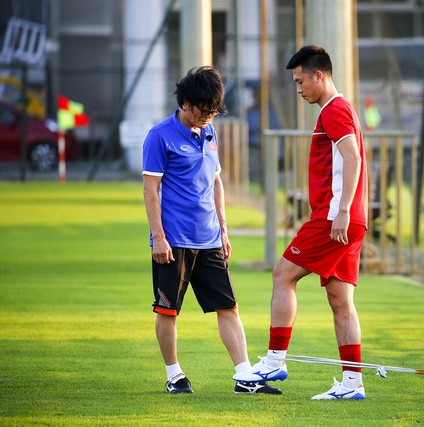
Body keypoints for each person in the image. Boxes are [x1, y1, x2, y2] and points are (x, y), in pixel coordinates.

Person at [233, 45, 369, 400]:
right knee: (341, 300)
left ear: (318, 75)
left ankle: (276, 359)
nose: (298, 89)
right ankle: (353, 384)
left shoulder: (334, 111)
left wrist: (339, 211)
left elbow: (352, 157)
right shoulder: (341, 110)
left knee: (283, 274)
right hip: (352, 219)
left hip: (333, 217)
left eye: (300, 80)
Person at [142, 65, 281, 395]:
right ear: (186, 102)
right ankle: (175, 375)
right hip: (173, 242)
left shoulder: (210, 132)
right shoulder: (159, 136)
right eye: (204, 111)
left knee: (229, 307)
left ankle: (245, 378)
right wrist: (159, 238)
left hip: (210, 239)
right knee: (168, 310)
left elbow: (216, 182)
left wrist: (224, 229)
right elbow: (151, 190)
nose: (208, 117)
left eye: (214, 112)